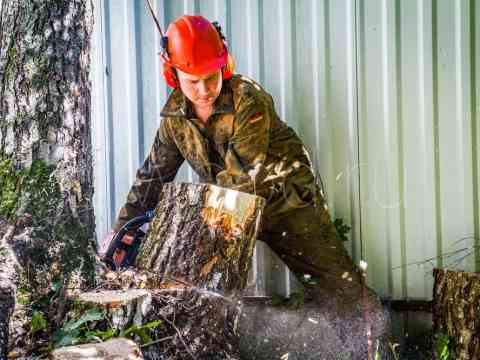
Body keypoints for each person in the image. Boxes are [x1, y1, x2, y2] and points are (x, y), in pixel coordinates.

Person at [101, 15, 369, 308]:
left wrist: (200, 231)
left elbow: (240, 178)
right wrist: (123, 230)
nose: (204, 91)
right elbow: (152, 176)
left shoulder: (247, 99)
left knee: (341, 290)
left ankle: (369, 343)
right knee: (195, 297)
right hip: (226, 215)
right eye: (193, 82)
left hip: (285, 205)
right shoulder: (175, 118)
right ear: (172, 74)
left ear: (225, 66)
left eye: (211, 78)